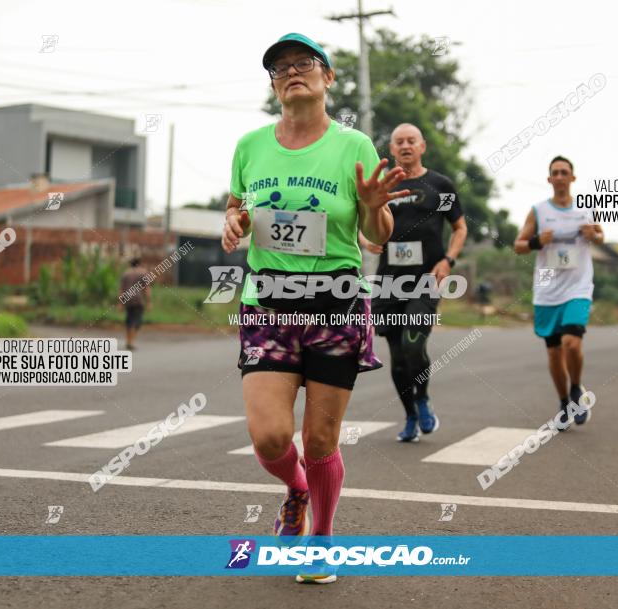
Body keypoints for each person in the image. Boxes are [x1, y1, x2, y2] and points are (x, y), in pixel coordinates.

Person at [221, 33, 406, 585]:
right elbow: (236, 206)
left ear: (327, 78)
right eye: (279, 69)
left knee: (321, 440)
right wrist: (231, 221)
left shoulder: (353, 147)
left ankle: (320, 540)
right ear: (273, 86)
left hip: (335, 305)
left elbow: (377, 235)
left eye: (302, 64)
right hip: (270, 304)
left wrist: (373, 209)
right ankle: (297, 489)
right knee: (271, 438)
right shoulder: (251, 145)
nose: (290, 72)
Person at [359, 123, 467, 442]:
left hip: (426, 279)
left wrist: (448, 260)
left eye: (411, 141)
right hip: (390, 279)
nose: (405, 146)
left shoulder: (439, 185)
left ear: (422, 146)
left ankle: (422, 397)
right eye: (398, 142)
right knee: (396, 353)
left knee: (413, 344)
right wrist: (366, 240)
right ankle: (409, 416)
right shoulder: (380, 186)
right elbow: (360, 221)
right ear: (391, 150)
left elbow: (459, 227)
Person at [514, 156, 603, 428]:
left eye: (565, 172)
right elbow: (518, 245)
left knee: (571, 343)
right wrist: (536, 241)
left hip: (578, 287)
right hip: (547, 289)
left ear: (573, 178)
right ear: (549, 179)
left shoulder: (587, 209)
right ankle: (564, 401)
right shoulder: (539, 211)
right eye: (556, 172)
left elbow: (601, 236)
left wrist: (595, 235)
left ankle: (576, 387)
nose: (561, 176)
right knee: (553, 353)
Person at [118, 258, 150, 350]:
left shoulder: (125, 274)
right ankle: (131, 342)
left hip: (127, 299)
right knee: (137, 322)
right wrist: (148, 302)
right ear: (139, 264)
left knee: (129, 320)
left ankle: (128, 341)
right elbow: (146, 289)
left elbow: (121, 289)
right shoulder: (143, 273)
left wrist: (120, 303)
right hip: (138, 300)